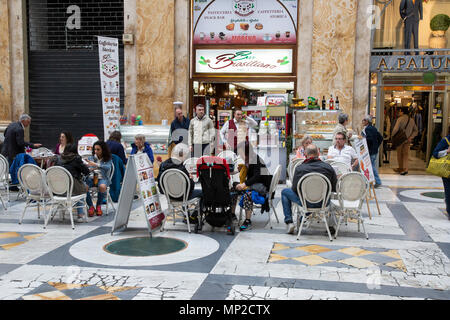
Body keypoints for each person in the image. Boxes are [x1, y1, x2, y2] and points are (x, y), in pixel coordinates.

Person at [282, 144, 337, 234]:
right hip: (323, 203)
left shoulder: (300, 168)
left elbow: (295, 189)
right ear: (318, 153)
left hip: (305, 202)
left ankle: (289, 221)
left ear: (305, 154)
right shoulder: (328, 168)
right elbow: (334, 188)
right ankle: (330, 225)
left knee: (285, 192)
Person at [156, 143, 202, 222]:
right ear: (182, 155)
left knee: (184, 191)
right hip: (182, 197)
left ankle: (186, 215)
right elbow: (190, 187)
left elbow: (159, 183)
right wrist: (191, 179)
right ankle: (193, 217)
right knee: (203, 192)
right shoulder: (181, 168)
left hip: (169, 196)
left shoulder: (163, 165)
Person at [235, 141, 272, 231]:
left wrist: (244, 184)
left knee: (247, 194)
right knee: (235, 188)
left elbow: (256, 176)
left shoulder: (255, 160)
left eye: (241, 153)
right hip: (258, 184)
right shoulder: (251, 159)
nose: (240, 156)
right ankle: (232, 215)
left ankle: (247, 220)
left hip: (263, 187)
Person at [59, 143, 90, 222]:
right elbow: (86, 171)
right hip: (73, 187)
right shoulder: (76, 158)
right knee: (83, 189)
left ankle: (62, 213)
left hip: (59, 189)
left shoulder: (59, 159)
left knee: (79, 186)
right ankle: (80, 215)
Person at [85, 140, 113, 217]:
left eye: (98, 149)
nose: (96, 151)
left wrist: (96, 165)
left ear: (103, 150)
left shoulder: (107, 158)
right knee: (84, 187)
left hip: (102, 178)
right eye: (95, 149)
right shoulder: (91, 157)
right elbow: (88, 168)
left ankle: (98, 206)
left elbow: (108, 167)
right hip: (92, 177)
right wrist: (88, 167)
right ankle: (90, 206)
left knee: (102, 186)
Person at [391, 107, 418, 175]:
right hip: (407, 140)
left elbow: (395, 129)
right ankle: (405, 169)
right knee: (405, 154)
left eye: (399, 111)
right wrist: (411, 137)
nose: (398, 113)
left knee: (399, 154)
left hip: (400, 139)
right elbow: (416, 130)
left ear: (402, 112)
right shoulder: (411, 120)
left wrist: (392, 135)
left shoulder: (400, 119)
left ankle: (401, 168)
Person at [432, 129, 450, 220]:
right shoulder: (445, 141)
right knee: (449, 192)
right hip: (447, 172)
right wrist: (447, 151)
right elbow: (435, 153)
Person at [361, 115, 384, 188]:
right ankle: (374, 181)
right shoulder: (373, 128)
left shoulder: (368, 129)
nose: (362, 122)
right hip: (374, 150)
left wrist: (363, 140)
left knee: (371, 166)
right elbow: (380, 137)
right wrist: (376, 146)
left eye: (363, 120)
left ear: (367, 121)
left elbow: (369, 139)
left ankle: (377, 181)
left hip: (370, 151)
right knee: (371, 166)